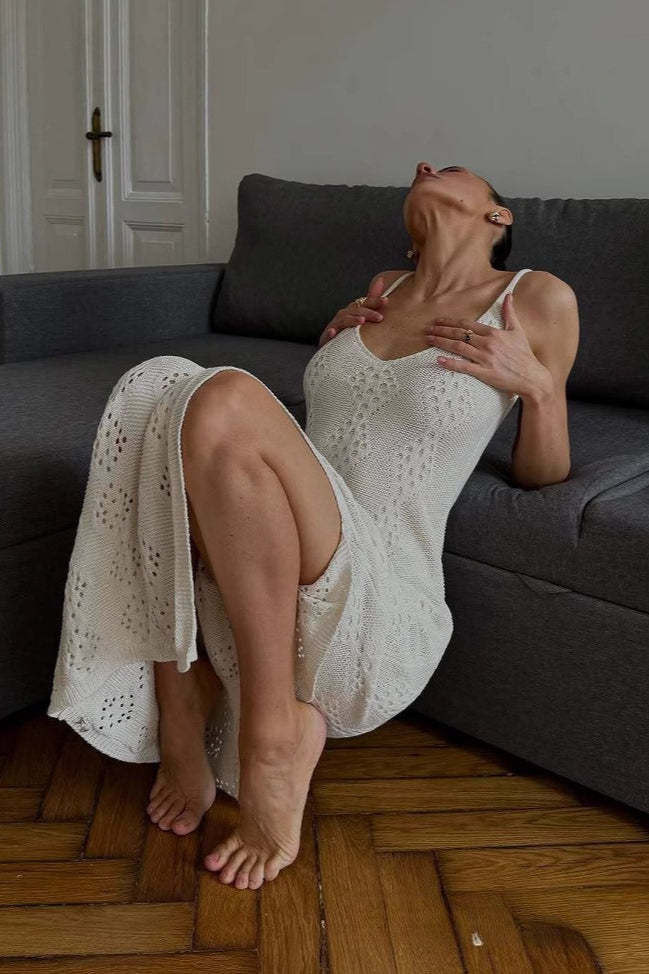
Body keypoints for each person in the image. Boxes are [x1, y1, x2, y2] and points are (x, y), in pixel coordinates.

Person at [48, 161, 579, 892]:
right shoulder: (379, 290)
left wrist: (539, 388)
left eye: (450, 168)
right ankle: (183, 701)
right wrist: (333, 350)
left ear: (499, 216)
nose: (424, 166)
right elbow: (334, 432)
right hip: (277, 551)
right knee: (156, 386)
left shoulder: (536, 298)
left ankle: (272, 733)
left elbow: (542, 473)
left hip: (379, 586)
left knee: (223, 394)